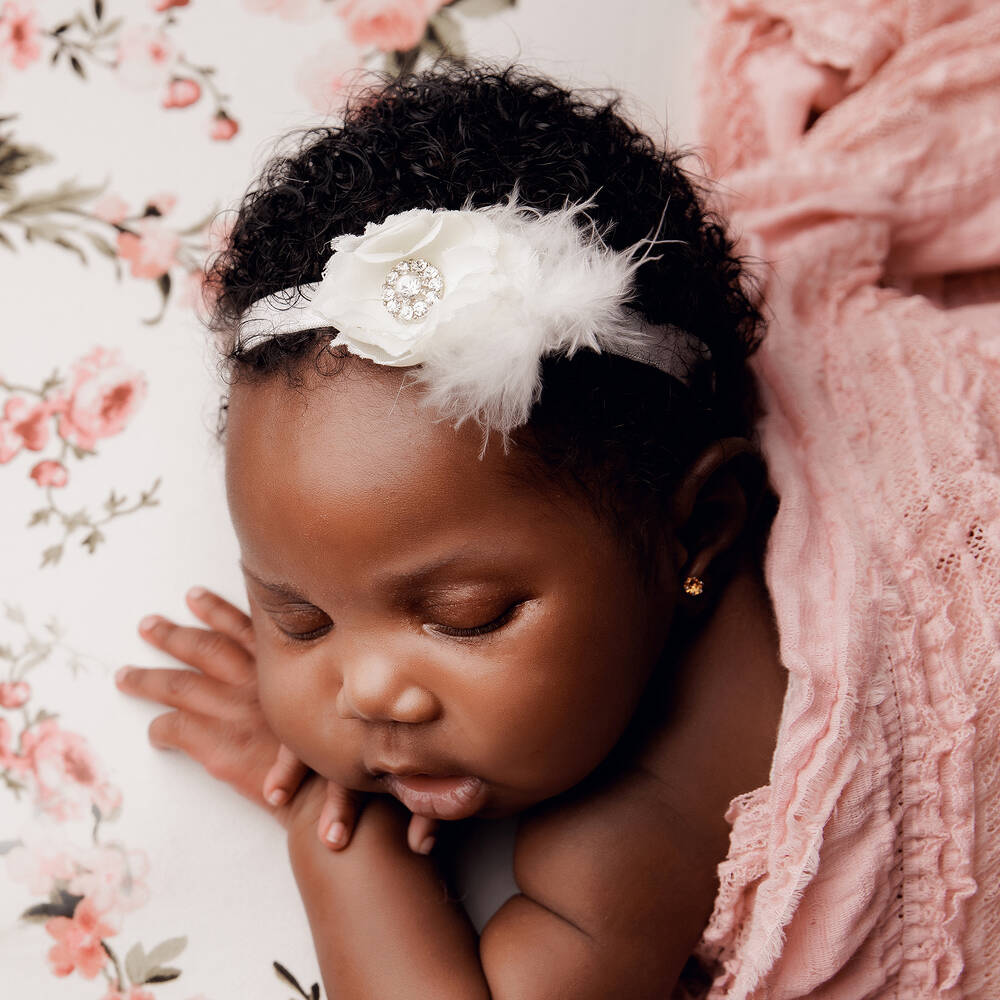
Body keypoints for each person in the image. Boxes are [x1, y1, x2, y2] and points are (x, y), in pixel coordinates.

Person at [114, 8, 1000, 991]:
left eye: (465, 615)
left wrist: (330, 832)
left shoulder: (635, 827)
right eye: (300, 618)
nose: (369, 693)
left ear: (698, 528)